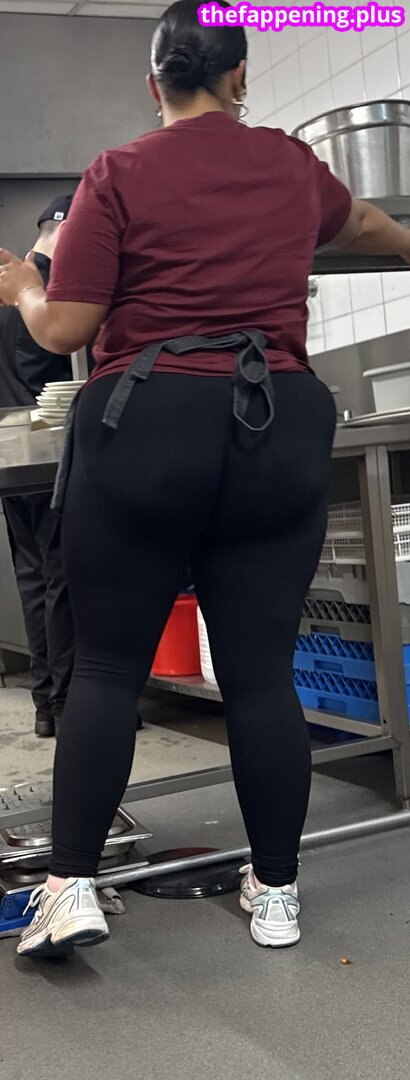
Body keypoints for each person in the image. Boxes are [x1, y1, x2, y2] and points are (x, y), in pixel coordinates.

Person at [1, 0, 410, 959]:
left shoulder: (117, 171)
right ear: (240, 75)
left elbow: (66, 326)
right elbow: (369, 225)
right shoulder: (291, 163)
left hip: (149, 422)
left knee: (108, 666)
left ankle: (71, 887)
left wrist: (23, 286)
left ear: (154, 84)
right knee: (262, 673)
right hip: (278, 422)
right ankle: (277, 893)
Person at [0, 196, 75, 739]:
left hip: (9, 459)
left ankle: (46, 704)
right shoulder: (50, 291)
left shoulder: (6, 289)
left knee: (32, 578)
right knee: (63, 578)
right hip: (52, 458)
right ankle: (69, 703)